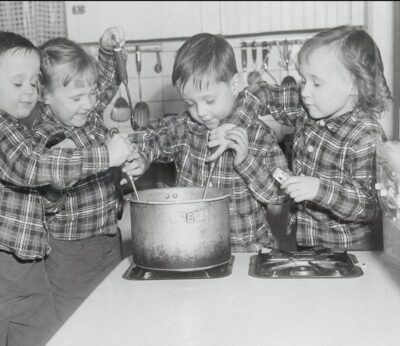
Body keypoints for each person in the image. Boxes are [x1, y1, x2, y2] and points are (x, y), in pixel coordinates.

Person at [0, 31, 133, 346]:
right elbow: (34, 166)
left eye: (32, 83)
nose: (29, 92)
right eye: (19, 84)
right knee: (60, 329)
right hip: (44, 254)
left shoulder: (33, 121)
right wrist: (106, 156)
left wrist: (104, 51)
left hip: (84, 244)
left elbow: (94, 89)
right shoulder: (21, 132)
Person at [229, 25, 392, 250]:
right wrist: (234, 124)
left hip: (353, 252)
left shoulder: (366, 135)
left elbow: (370, 204)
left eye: (316, 83)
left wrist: (319, 189)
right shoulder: (308, 106)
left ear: (354, 85)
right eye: (304, 80)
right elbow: (260, 92)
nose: (304, 91)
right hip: (307, 243)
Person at [130, 33, 290, 252]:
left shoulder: (260, 136)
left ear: (234, 85)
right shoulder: (184, 129)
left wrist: (245, 161)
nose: (201, 112)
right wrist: (139, 156)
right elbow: (153, 136)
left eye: (209, 100)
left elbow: (276, 199)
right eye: (190, 103)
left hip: (248, 251)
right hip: (194, 249)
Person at [37, 27, 145, 328]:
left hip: (108, 239)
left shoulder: (85, 115)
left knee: (111, 313)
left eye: (91, 93)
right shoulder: (48, 135)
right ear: (44, 96)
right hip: (70, 251)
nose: (89, 103)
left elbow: (107, 83)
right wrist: (106, 156)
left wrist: (107, 50)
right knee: (78, 323)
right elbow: (60, 170)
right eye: (77, 97)